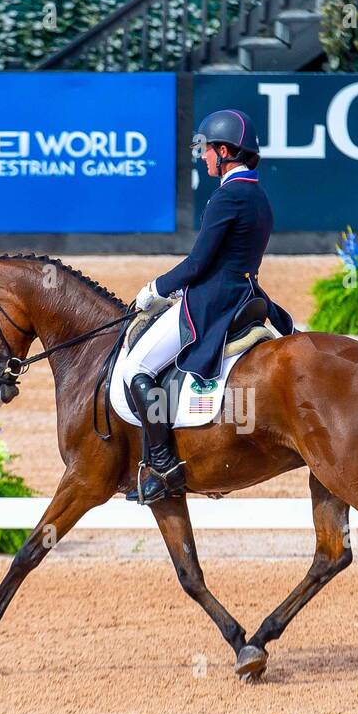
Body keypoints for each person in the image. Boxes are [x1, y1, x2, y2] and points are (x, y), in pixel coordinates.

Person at [122, 109, 295, 505]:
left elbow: (198, 263)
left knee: (138, 369)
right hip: (245, 294)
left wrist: (156, 288)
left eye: (206, 150)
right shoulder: (258, 196)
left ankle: (163, 465)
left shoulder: (227, 197)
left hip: (211, 304)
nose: (202, 157)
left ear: (223, 151)